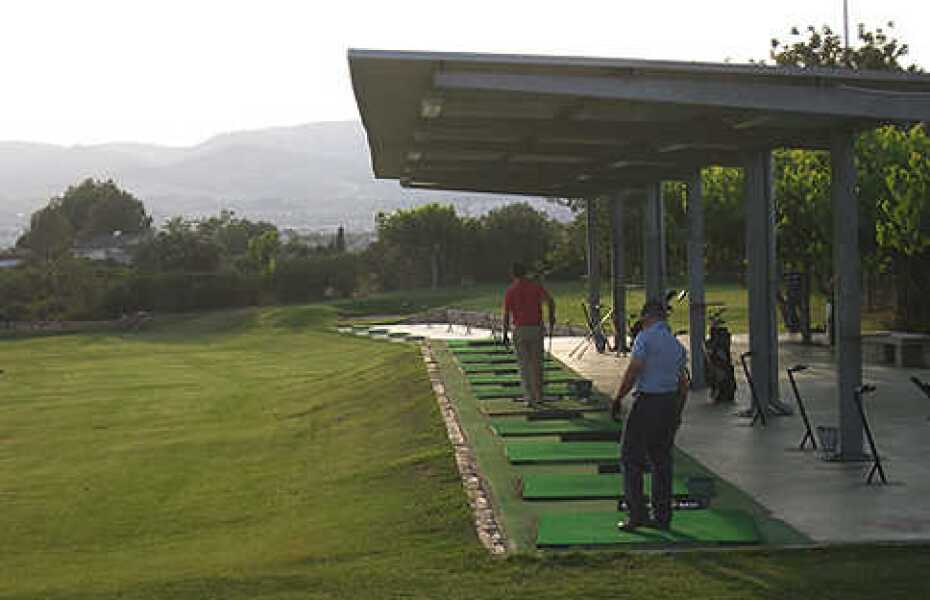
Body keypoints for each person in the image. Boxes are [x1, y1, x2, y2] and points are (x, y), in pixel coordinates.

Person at [611, 299, 689, 531]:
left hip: (647, 402)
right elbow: (683, 384)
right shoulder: (677, 345)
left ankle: (637, 514)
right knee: (661, 460)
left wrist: (618, 397)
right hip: (669, 403)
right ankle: (662, 517)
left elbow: (634, 369)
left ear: (647, 317)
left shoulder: (644, 338)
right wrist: (678, 413)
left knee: (630, 457)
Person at [501, 263, 556, 408]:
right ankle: (539, 396)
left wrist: (504, 334)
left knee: (524, 365)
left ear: (513, 274)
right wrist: (551, 318)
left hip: (519, 330)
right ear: (525, 272)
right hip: (535, 328)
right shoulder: (535, 286)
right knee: (537, 364)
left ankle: (530, 398)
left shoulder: (510, 290)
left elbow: (506, 314)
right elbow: (550, 301)